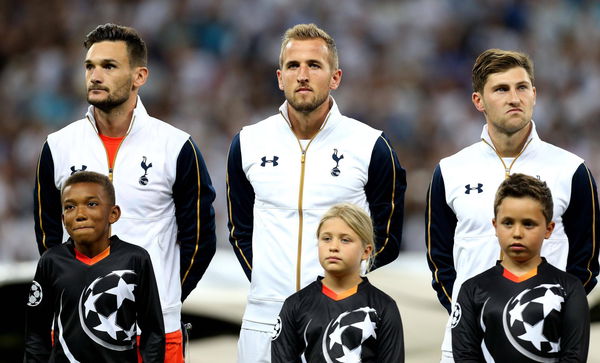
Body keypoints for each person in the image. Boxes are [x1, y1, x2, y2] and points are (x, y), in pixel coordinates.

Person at [33, 23, 216, 362]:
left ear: (139, 76)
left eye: (109, 66)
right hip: (77, 329)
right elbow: (48, 239)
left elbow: (201, 242)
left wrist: (162, 298)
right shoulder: (57, 147)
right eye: (90, 66)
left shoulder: (176, 147)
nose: (95, 75)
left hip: (157, 332)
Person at [226, 23, 406, 362]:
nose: (303, 75)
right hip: (264, 318)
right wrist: (267, 282)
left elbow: (387, 237)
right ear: (280, 77)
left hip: (341, 319)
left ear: (335, 77)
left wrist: (343, 286)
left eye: (314, 65)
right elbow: (239, 230)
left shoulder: (370, 146)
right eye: (293, 66)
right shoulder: (248, 143)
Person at [425, 48, 599, 361]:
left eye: (522, 88)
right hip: (466, 346)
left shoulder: (571, 170)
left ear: (534, 94)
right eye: (501, 89)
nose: (514, 97)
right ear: (478, 100)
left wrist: (552, 311)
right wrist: (471, 312)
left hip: (545, 342)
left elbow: (586, 263)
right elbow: (439, 260)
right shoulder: (450, 171)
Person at [25, 171, 165, 362]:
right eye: (70, 207)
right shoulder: (51, 261)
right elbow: (36, 334)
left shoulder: (136, 259)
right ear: (62, 218)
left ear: (113, 214)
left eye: (91, 204)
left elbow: (153, 332)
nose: (80, 214)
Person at [451, 173, 590, 362]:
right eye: (508, 223)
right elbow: (465, 356)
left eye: (528, 224)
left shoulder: (570, 288)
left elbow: (574, 356)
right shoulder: (472, 289)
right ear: (495, 225)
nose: (517, 233)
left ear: (548, 229)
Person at [271, 203, 404, 362]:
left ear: (366, 251)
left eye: (345, 240)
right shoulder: (294, 305)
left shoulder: (384, 307)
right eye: (326, 238)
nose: (333, 247)